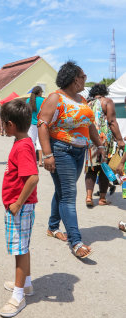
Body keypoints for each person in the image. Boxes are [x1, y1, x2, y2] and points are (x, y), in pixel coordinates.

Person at [38, 61, 105, 258]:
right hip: (61, 150)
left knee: (62, 191)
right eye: (84, 76)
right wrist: (48, 155)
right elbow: (42, 126)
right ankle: (76, 241)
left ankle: (52, 227)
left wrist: (99, 145)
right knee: (68, 195)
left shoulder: (82, 99)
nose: (86, 79)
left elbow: (90, 124)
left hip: (80, 152)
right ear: (75, 79)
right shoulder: (55, 98)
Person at [0, 99, 38, 318]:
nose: (3, 127)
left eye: (4, 124)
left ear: (11, 124)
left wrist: (17, 203)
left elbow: (33, 178)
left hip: (19, 208)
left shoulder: (22, 146)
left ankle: (18, 294)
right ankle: (27, 284)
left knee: (19, 249)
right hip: (20, 207)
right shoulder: (22, 142)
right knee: (22, 247)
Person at [85, 84, 125, 207]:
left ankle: (89, 197)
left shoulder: (87, 103)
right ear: (104, 92)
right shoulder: (107, 102)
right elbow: (112, 122)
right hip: (104, 140)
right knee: (104, 168)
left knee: (91, 168)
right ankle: (102, 199)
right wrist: (119, 140)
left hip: (90, 140)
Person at [26, 86, 44, 167]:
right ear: (39, 92)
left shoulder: (27, 101)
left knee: (32, 142)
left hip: (30, 124)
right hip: (40, 124)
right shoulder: (43, 100)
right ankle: (40, 161)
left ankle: (32, 161)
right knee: (40, 142)